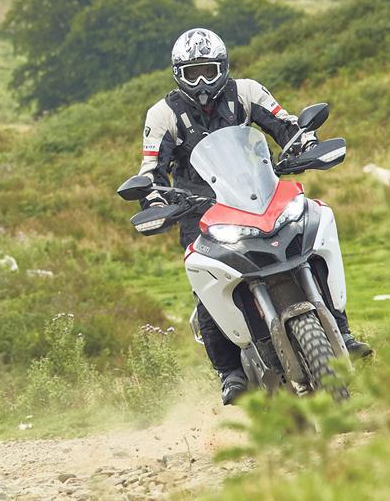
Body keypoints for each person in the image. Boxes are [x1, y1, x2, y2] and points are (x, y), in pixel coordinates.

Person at [136, 28, 371, 405]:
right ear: (177, 73)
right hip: (199, 210)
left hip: (257, 195)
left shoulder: (247, 92)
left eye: (209, 71)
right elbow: (151, 168)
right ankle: (230, 372)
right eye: (193, 72)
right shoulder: (163, 114)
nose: (201, 81)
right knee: (206, 281)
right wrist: (150, 196)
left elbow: (286, 126)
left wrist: (304, 144)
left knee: (311, 236)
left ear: (224, 68)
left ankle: (341, 332)